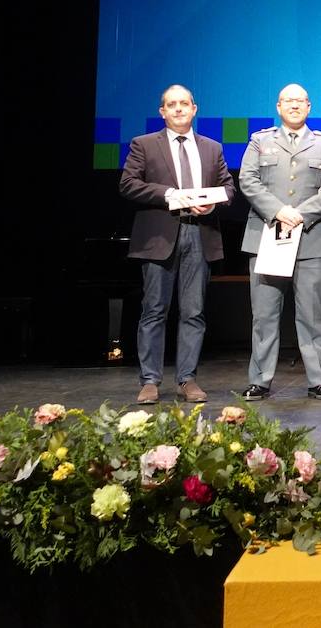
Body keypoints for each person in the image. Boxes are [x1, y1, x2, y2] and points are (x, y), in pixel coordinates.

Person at [119, 84, 235, 404]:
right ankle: (150, 381)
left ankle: (187, 379)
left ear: (194, 109)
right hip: (159, 237)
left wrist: (212, 204)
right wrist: (168, 195)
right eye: (172, 104)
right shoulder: (143, 144)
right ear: (163, 111)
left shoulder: (212, 147)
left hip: (199, 234)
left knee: (193, 311)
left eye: (184, 103)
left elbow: (228, 188)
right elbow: (128, 184)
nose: (179, 109)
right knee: (154, 309)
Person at [238, 84, 321, 400]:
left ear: (309, 106)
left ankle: (317, 380)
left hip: (312, 239)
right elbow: (247, 180)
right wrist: (279, 211)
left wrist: (299, 214)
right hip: (268, 237)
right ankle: (260, 379)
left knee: (312, 314)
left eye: (300, 101)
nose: (294, 105)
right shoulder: (260, 141)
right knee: (265, 313)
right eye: (288, 101)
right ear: (279, 106)